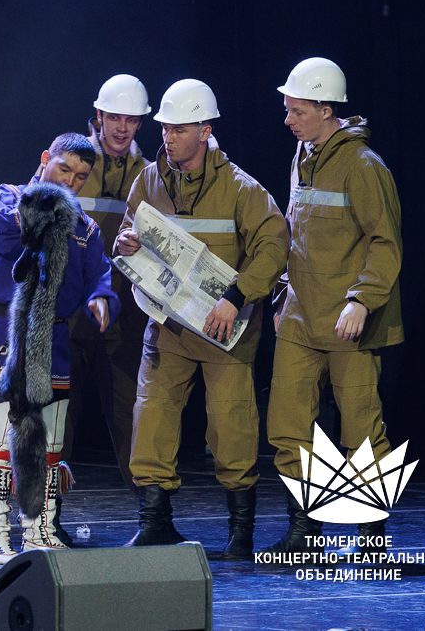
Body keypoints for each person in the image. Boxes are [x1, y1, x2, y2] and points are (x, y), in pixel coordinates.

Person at [115, 80, 288, 559]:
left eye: (179, 129)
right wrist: (125, 242)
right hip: (167, 327)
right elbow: (129, 231)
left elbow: (273, 247)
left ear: (205, 131)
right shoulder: (148, 181)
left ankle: (240, 533)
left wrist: (237, 296)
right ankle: (154, 523)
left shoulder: (241, 188)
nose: (168, 137)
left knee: (231, 426)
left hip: (222, 330)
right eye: (165, 128)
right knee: (151, 417)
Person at [263, 58, 403, 552]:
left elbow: (385, 243)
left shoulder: (363, 165)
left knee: (360, 429)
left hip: (348, 320)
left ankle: (370, 535)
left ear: (326, 110)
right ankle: (304, 530)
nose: (288, 120)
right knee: (288, 425)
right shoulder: (303, 154)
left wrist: (362, 301)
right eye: (287, 109)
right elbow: (296, 232)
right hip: (299, 317)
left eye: (297, 111)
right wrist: (283, 294)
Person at [0, 132, 119, 564]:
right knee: (3, 438)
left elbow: (100, 275)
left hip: (53, 339)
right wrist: (41, 209)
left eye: (81, 176)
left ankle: (41, 530)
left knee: (51, 443)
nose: (70, 181)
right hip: (6, 335)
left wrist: (101, 299)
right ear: (44, 160)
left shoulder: (85, 227)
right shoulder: (7, 198)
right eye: (64, 169)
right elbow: (0, 234)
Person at [64, 75, 151, 494]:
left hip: (123, 315)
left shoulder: (149, 173)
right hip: (67, 311)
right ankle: (45, 512)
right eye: (114, 117)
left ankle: (150, 511)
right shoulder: (69, 162)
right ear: (98, 116)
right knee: (58, 413)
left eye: (131, 120)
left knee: (131, 413)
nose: (122, 128)